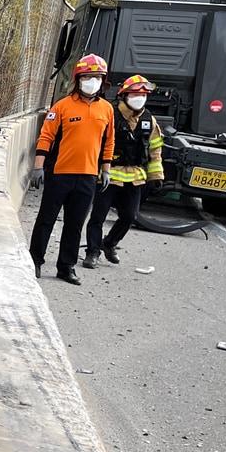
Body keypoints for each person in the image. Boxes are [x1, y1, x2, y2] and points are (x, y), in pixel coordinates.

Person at [28, 53, 115, 285]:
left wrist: (105, 169)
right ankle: (34, 260)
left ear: (102, 80)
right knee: (46, 219)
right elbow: (46, 136)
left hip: (87, 176)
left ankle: (66, 267)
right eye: (88, 76)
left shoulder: (106, 110)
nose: (92, 81)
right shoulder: (62, 107)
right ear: (78, 79)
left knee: (75, 224)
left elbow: (109, 142)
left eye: (97, 77)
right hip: (60, 174)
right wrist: (38, 167)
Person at [83, 74, 164, 268]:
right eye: (136, 94)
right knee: (98, 217)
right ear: (124, 95)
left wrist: (157, 175)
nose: (140, 98)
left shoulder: (149, 121)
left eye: (143, 95)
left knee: (129, 216)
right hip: (108, 175)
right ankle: (92, 252)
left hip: (135, 177)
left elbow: (155, 149)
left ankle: (109, 244)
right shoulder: (110, 114)